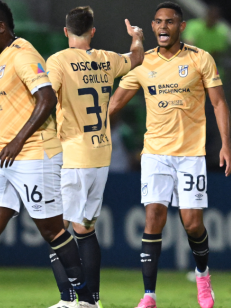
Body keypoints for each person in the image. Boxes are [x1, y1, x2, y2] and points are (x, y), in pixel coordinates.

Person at [0, 1, 96, 308]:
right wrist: (7, 144)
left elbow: (47, 99)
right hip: (0, 155)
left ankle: (85, 300)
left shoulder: (23, 54)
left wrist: (17, 140)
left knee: (52, 230)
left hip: (34, 152)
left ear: (0, 27)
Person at [109, 2, 231, 308]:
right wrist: (88, 129)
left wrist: (226, 144)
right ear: (152, 27)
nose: (163, 26)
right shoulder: (142, 63)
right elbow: (115, 102)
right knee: (153, 216)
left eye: (170, 22)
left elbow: (218, 103)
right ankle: (149, 295)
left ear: (181, 27)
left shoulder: (199, 58)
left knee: (192, 223)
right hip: (155, 153)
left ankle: (203, 276)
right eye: (158, 22)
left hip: (191, 153)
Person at [44, 6, 144, 308]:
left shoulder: (58, 60)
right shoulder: (107, 59)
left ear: (65, 32)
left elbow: (46, 97)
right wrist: (136, 37)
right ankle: (91, 301)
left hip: (73, 154)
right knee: (85, 229)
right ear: (92, 32)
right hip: (101, 154)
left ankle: (68, 299)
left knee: (55, 229)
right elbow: (136, 58)